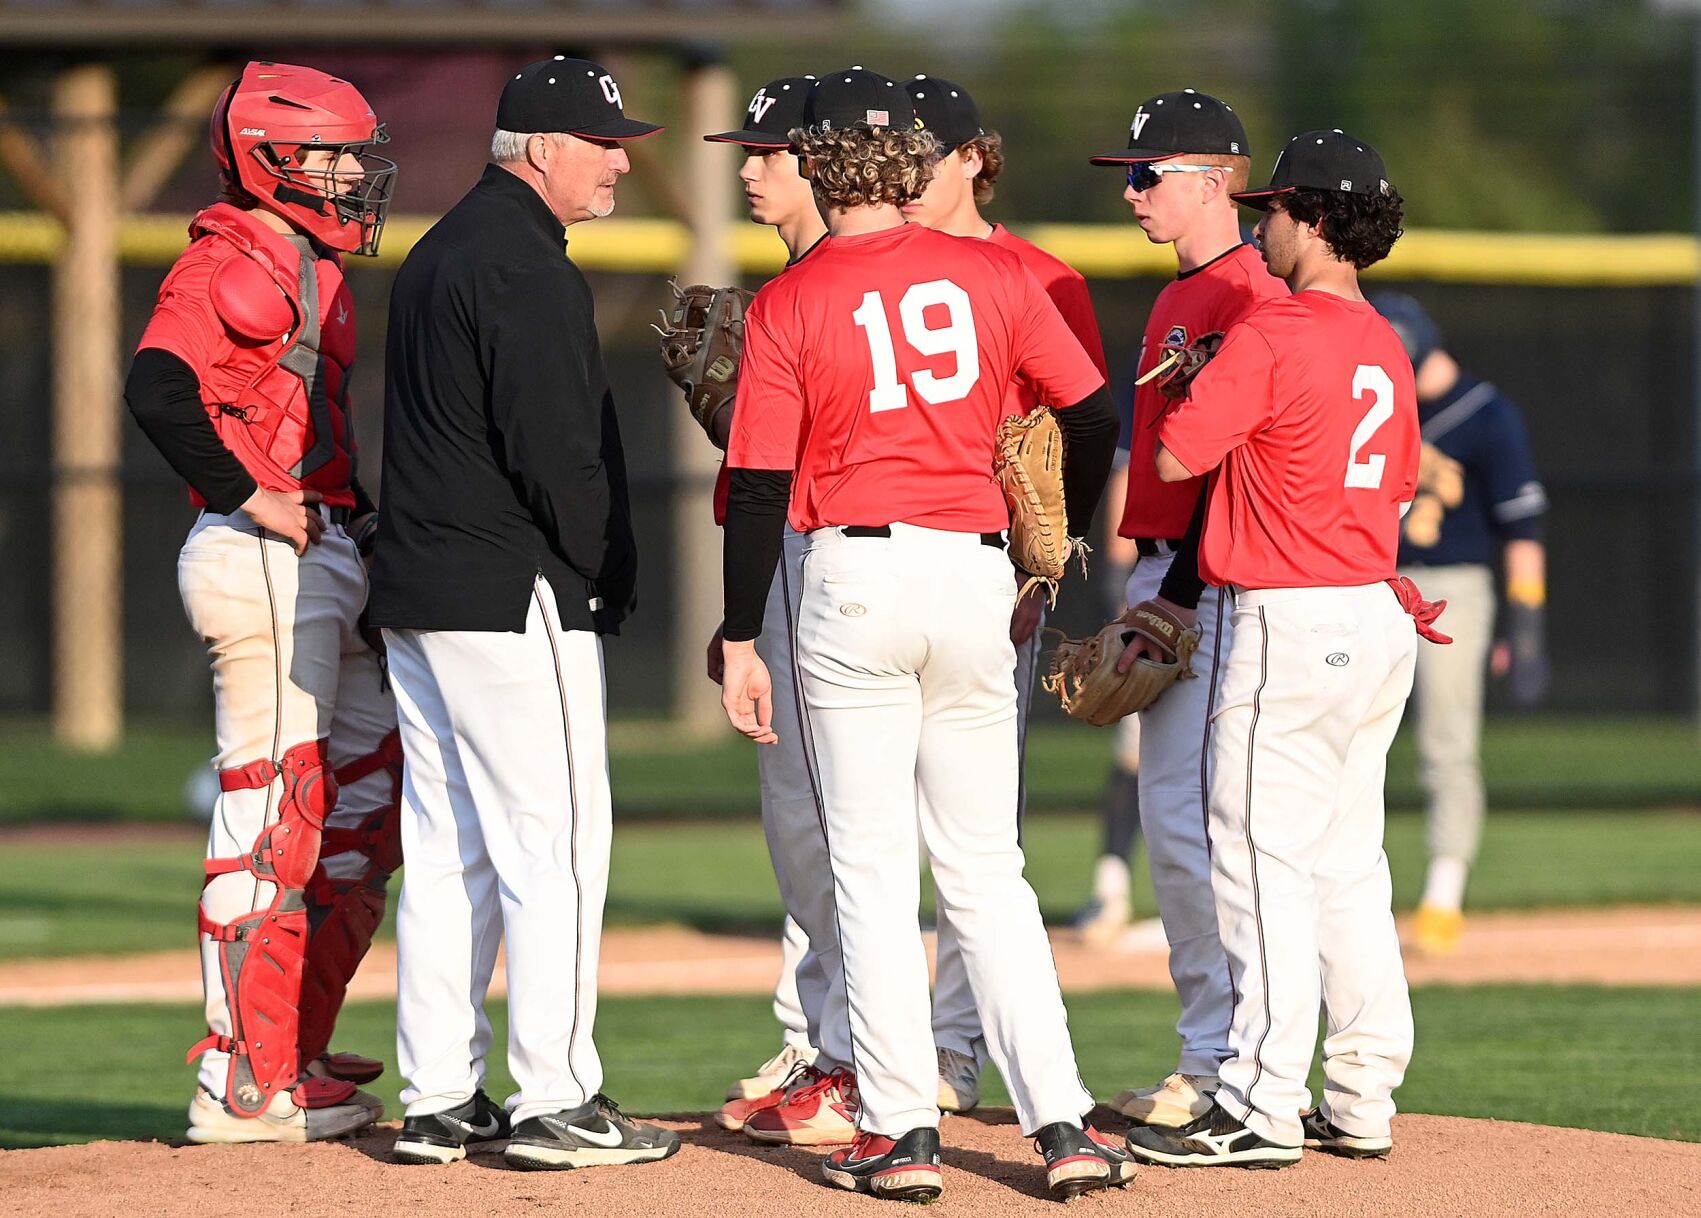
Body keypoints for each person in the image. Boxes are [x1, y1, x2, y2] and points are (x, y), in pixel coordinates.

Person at [720, 67, 1134, 1203]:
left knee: (868, 866)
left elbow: (756, 488)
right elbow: (1093, 414)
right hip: (974, 576)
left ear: (818, 165)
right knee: (987, 872)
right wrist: (1046, 551)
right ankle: (1062, 1127)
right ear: (913, 163)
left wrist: (734, 634)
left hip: (850, 575)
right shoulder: (997, 273)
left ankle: (901, 1134)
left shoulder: (791, 300)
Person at [369, 57, 678, 1172]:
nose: (619, 161)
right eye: (603, 143)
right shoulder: (525, 267)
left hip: (421, 592)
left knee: (450, 851)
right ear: (542, 148)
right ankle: (557, 1095)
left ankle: (440, 1094)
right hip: (508, 592)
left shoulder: (442, 249)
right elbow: (556, 451)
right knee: (557, 844)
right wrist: (607, 566)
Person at [1126, 130, 1438, 1168]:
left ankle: (1256, 1105)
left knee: (1258, 863)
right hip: (1376, 615)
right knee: (1349, 865)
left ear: (1308, 218)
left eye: (1272, 210)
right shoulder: (1386, 340)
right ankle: (1361, 1093)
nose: (1262, 226)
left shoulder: (1274, 329)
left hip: (1287, 615)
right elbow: (1397, 483)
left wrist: (1207, 373)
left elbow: (1176, 451)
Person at [124, 61, 401, 1144]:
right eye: (336, 155)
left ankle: (293, 1053)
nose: (354, 176)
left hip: (319, 547)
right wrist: (249, 494)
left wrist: (361, 530)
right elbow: (157, 384)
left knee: (366, 797)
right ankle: (242, 1081)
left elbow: (316, 433)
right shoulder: (230, 254)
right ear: (271, 160)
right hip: (261, 553)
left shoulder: (307, 263)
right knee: (273, 813)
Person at [1084, 89, 1286, 1127]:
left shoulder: (1253, 291)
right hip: (1162, 571)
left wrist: (1185, 590)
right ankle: (1211, 1054)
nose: (1130, 193)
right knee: (1174, 827)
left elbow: (1246, 457)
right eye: (1128, 174)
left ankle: (1238, 1064)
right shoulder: (1175, 296)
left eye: (1145, 175)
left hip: (1210, 581)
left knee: (1214, 829)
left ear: (1217, 180)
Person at [692, 72, 851, 1139]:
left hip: (846, 566)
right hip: (789, 560)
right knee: (798, 820)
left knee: (843, 822)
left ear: (822, 162)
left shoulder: (835, 284)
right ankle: (816, 1041)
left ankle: (854, 1056)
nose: (749, 169)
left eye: (768, 153)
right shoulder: (785, 283)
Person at [1374, 293, 1549, 956]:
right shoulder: (1380, 406)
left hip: (1451, 586)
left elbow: (1521, 527)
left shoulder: (1485, 414)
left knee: (1445, 743)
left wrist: (1526, 623)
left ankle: (1443, 893)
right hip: (1374, 583)